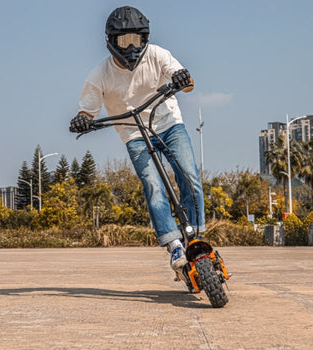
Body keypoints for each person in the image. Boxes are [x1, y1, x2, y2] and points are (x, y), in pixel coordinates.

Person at [69, 6, 205, 271]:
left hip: (168, 124)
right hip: (134, 134)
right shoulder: (99, 75)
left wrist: (181, 78)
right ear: (111, 42)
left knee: (189, 176)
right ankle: (174, 244)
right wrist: (82, 119)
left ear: (146, 38)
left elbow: (188, 84)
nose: (131, 46)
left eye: (136, 39)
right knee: (153, 187)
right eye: (124, 41)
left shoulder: (157, 54)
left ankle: (196, 236)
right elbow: (88, 109)